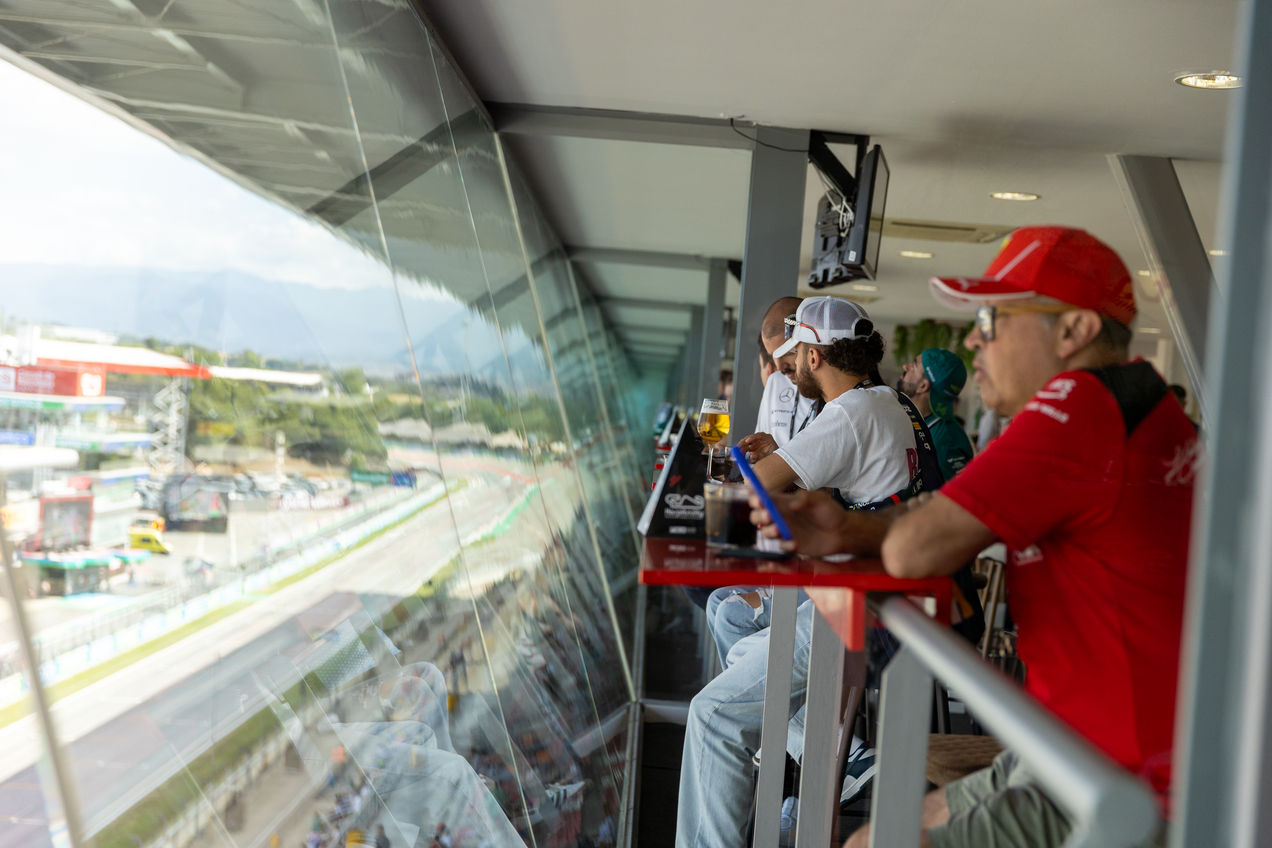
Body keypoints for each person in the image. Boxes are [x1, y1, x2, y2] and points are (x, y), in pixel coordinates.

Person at [749, 226, 1196, 848]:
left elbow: (914, 547)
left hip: (1127, 781)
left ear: (1073, 332)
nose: (971, 338)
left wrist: (860, 529)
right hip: (1078, 745)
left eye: (991, 317)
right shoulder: (1138, 406)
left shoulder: (1077, 406)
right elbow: (937, 514)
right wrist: (849, 525)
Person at [677, 296, 924, 848]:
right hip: (892, 601)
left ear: (815, 354)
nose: (788, 373)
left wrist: (738, 468)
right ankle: (824, 753)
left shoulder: (852, 412)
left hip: (864, 614)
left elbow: (756, 487)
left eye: (793, 357)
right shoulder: (891, 403)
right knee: (735, 619)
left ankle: (808, 753)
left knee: (714, 714)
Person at [738, 296, 821, 462]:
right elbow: (759, 458)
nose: (780, 367)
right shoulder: (776, 381)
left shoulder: (842, 394)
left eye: (787, 351)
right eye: (772, 356)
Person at [897, 348, 975, 481]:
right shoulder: (917, 420)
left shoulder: (946, 442)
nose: (906, 366)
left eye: (914, 365)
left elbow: (947, 499)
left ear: (923, 386)